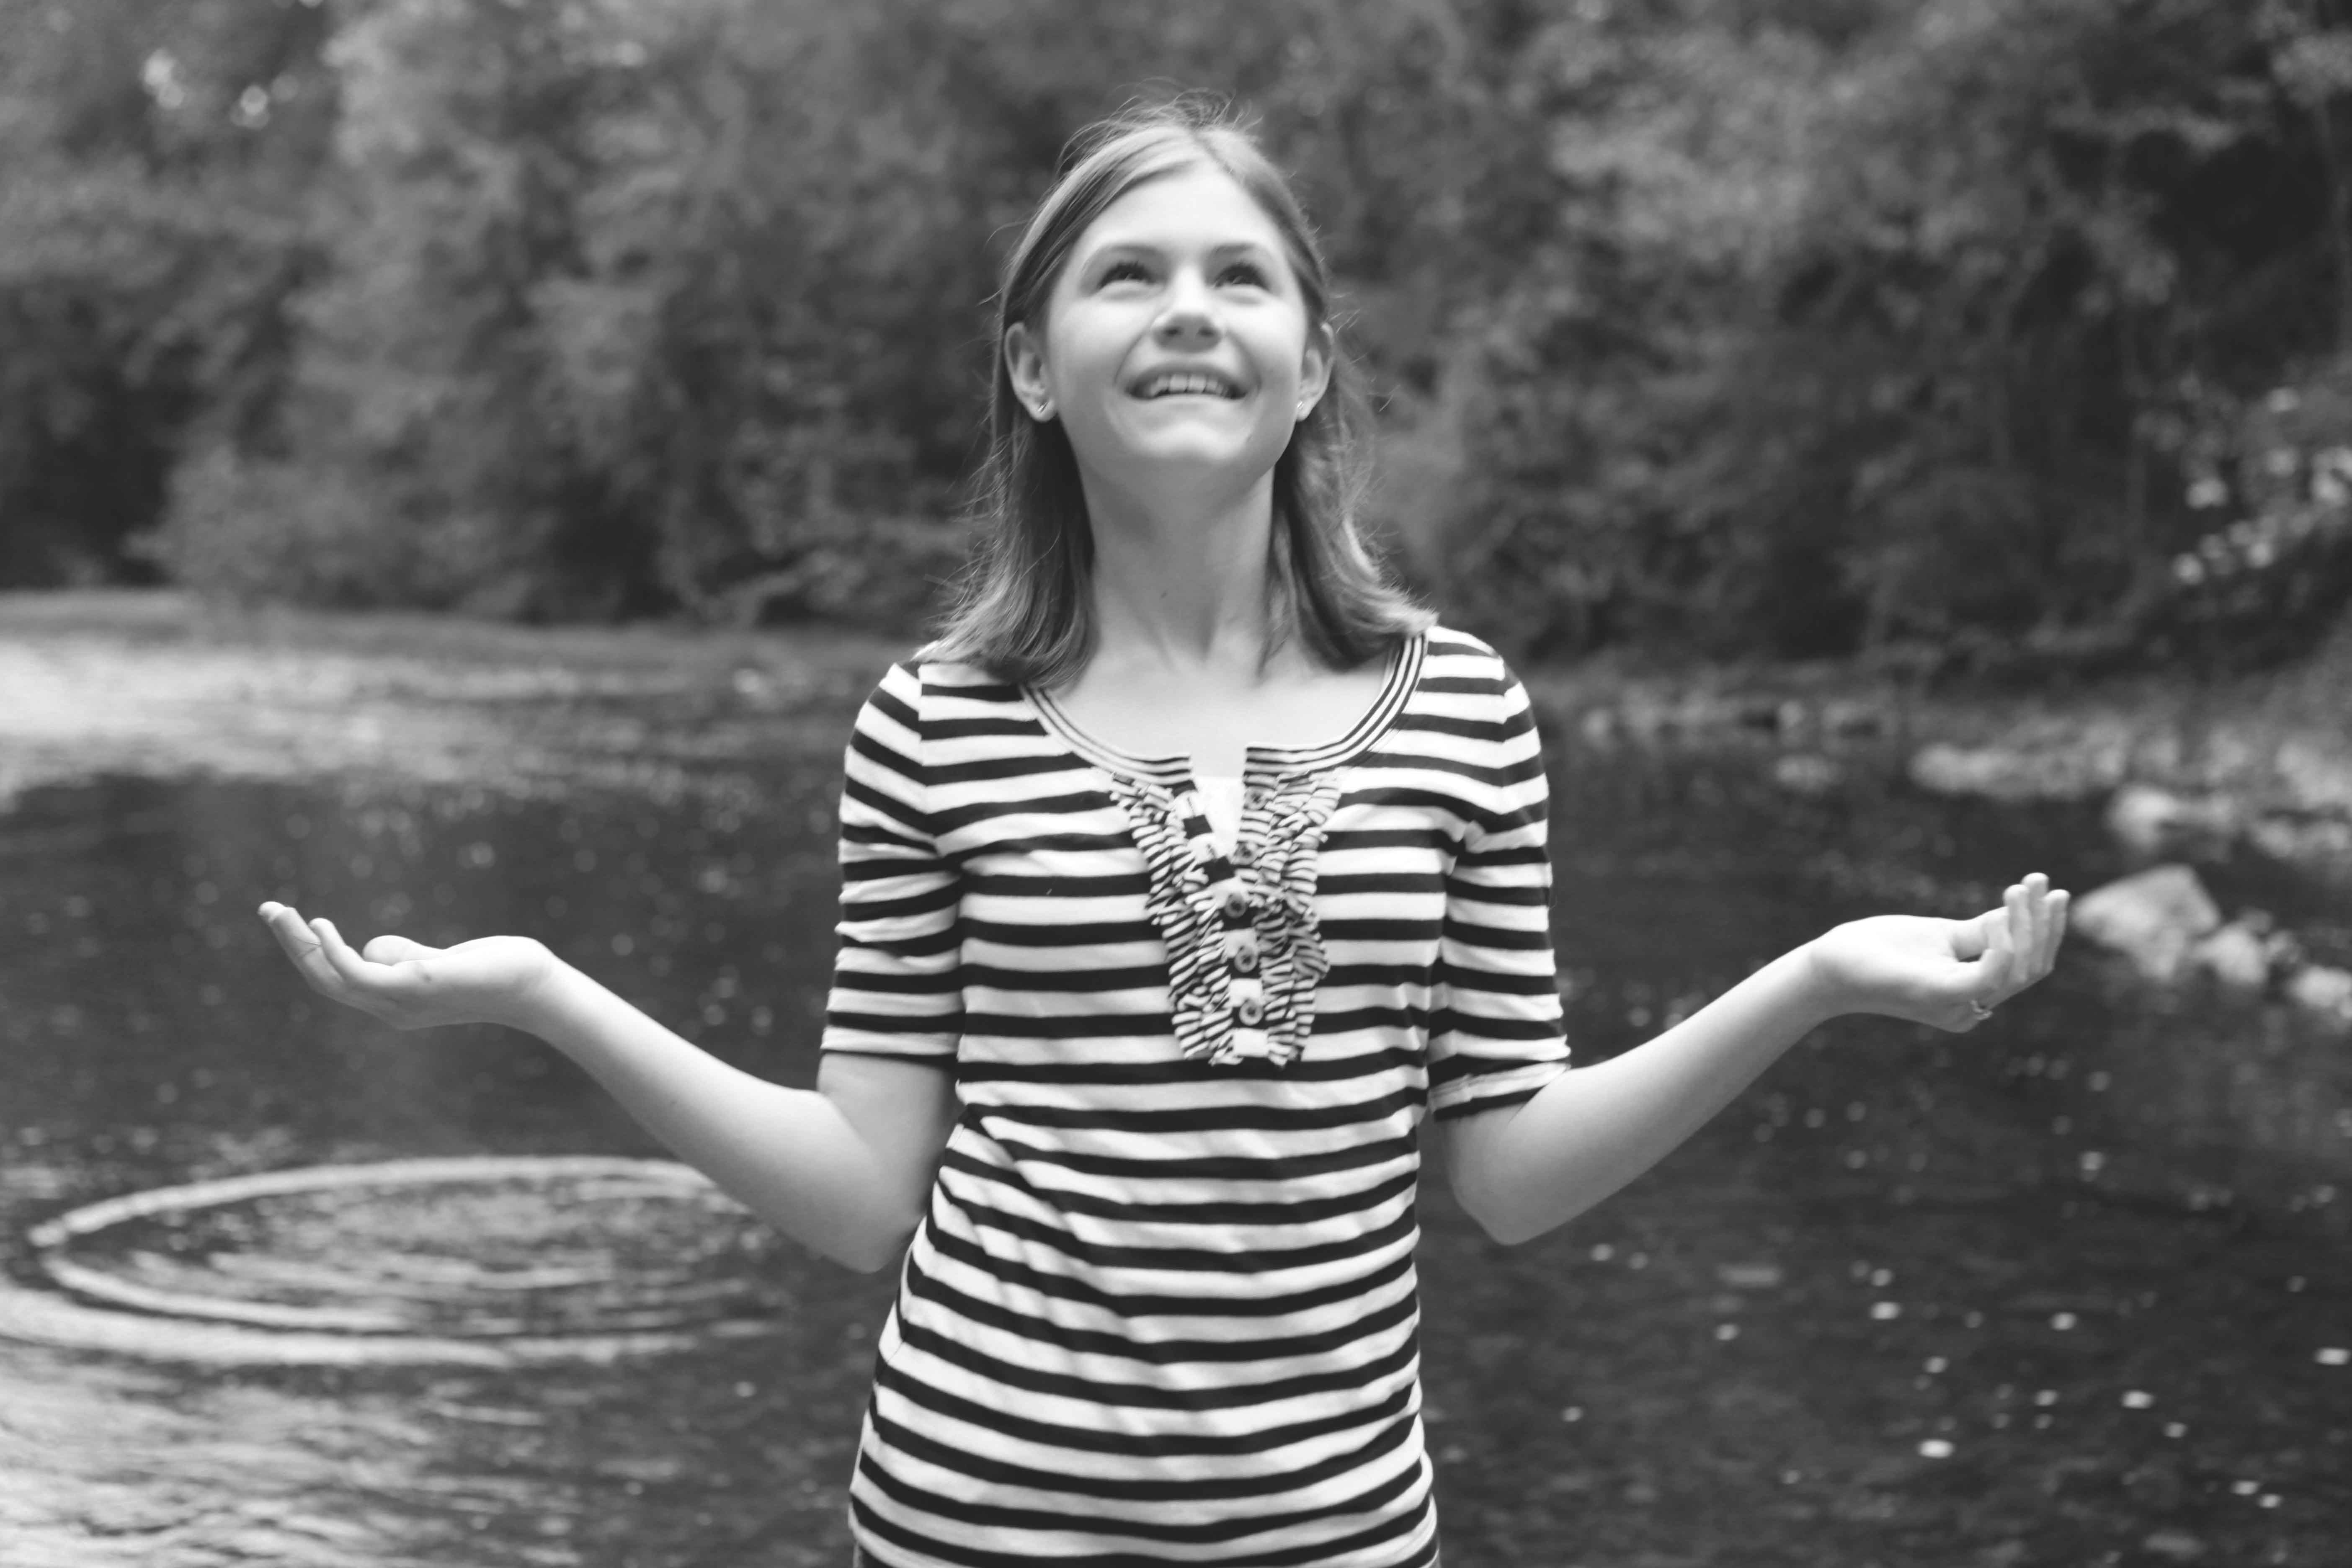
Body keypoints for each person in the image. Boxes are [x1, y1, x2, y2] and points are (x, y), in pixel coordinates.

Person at [258, 100, 2069, 1568]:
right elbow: (862, 1195)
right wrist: (542, 993)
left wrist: (1818, 980)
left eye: (1238, 276)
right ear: (1038, 369)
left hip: (1340, 1532)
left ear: (1310, 366)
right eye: (1126, 274)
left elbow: (1513, 1169)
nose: (1188, 309)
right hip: (969, 1514)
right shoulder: (932, 723)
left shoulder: (1467, 712)